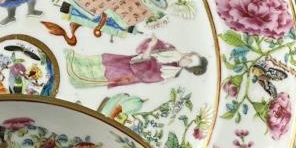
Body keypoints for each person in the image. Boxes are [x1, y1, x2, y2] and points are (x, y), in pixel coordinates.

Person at [65, 37, 207, 89]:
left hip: (132, 72)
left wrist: (150, 47)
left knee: (109, 71)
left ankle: (80, 73)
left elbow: (147, 68)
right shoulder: (173, 52)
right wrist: (153, 44)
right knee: (108, 59)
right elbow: (153, 49)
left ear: (189, 67)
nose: (186, 57)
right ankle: (79, 60)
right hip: (132, 60)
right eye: (190, 55)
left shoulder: (170, 72)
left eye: (189, 60)